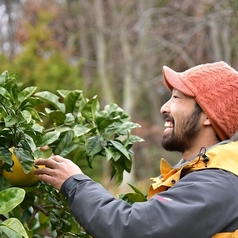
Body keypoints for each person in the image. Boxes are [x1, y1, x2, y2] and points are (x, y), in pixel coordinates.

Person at [35, 61, 238, 238]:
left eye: (176, 98)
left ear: (208, 116)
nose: (164, 108)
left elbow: (134, 229)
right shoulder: (200, 178)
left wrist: (75, 184)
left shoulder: (217, 184)